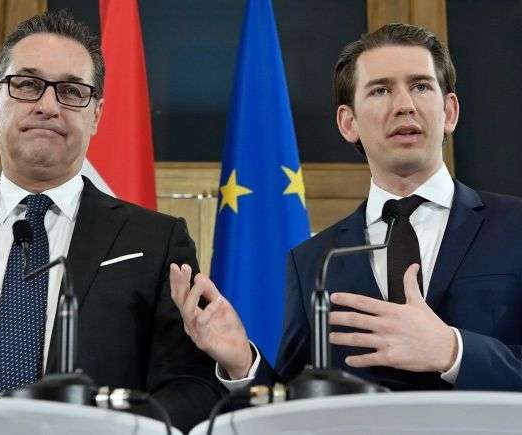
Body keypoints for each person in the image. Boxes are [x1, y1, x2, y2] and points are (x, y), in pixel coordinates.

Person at [170, 23, 522, 391]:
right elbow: (299, 401)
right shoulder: (313, 262)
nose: (405, 105)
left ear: (449, 111)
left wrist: (454, 351)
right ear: (348, 122)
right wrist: (243, 362)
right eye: (381, 90)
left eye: (420, 86)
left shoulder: (514, 227)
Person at [0, 10, 220, 432]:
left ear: (96, 115)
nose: (48, 106)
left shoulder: (156, 241)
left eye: (71, 91)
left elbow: (194, 386)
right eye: (27, 84)